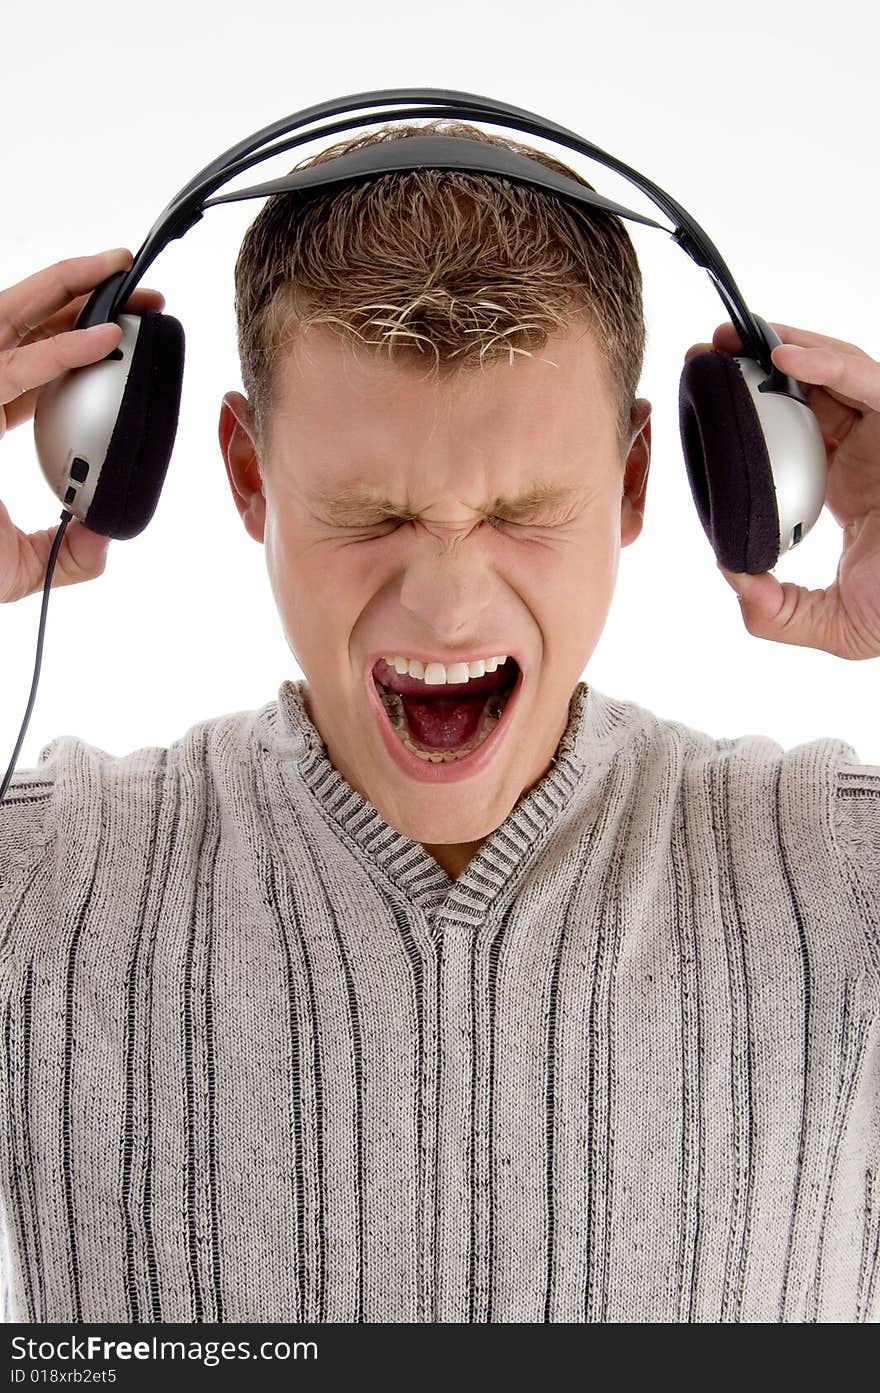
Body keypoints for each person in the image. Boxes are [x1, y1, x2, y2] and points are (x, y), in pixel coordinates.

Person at [0, 121, 878, 1325]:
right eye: (370, 515)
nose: (450, 599)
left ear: (632, 485)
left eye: (524, 511)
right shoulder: (41, 889)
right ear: (249, 478)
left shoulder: (845, 885)